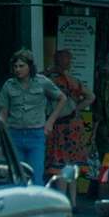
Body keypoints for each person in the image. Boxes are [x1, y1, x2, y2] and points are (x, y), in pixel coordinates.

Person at [0, 49, 69, 186]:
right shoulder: (9, 85)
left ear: (29, 67)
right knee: (17, 177)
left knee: (36, 177)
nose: (18, 69)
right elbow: (3, 113)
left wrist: (50, 122)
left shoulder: (42, 82)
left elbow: (62, 98)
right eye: (15, 66)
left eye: (21, 66)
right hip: (15, 134)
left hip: (35, 134)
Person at [43, 49, 94, 182]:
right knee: (72, 162)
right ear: (69, 64)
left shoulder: (47, 80)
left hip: (56, 126)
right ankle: (72, 198)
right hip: (73, 126)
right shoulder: (74, 81)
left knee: (58, 162)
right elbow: (91, 97)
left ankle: (60, 195)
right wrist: (76, 109)